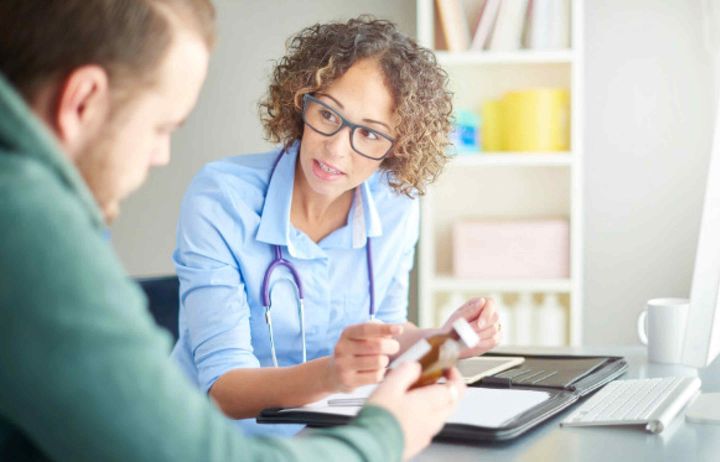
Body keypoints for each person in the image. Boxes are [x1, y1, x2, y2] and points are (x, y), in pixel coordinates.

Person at [0, 1, 466, 461]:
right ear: (81, 101)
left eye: (369, 134)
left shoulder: (43, 209)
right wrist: (385, 435)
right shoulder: (28, 225)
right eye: (162, 127)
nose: (162, 155)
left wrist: (439, 340)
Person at [172, 16, 501, 436]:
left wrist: (446, 337)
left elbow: (384, 336)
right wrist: (332, 374)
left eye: (369, 134)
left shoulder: (396, 204)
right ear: (300, 100)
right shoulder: (222, 199)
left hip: (328, 435)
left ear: (397, 148)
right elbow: (224, 391)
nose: (336, 148)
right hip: (214, 440)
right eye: (328, 114)